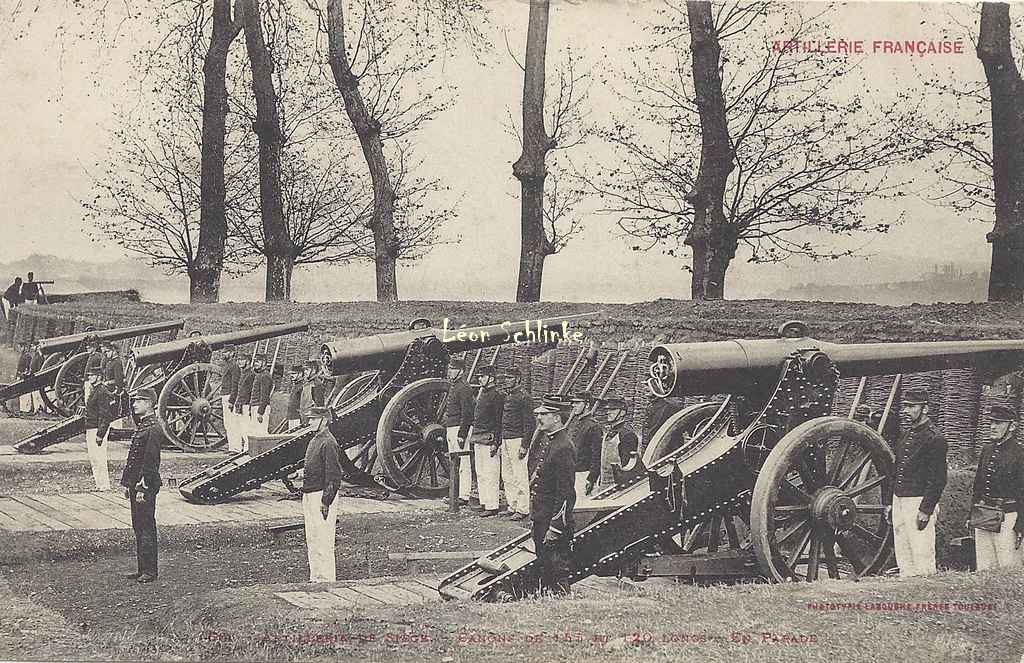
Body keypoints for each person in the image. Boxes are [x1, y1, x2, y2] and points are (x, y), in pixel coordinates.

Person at [886, 388, 948, 577]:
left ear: (925, 409)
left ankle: (924, 592)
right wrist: (891, 502)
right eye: (905, 406)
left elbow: (938, 479)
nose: (906, 411)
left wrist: (926, 509)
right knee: (903, 551)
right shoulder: (905, 435)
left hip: (918, 502)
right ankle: (907, 586)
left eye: (912, 407)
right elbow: (896, 471)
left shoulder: (935, 439)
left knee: (922, 552)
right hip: (900, 500)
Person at [529, 395, 577, 595]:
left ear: (557, 418)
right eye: (539, 413)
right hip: (542, 514)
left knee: (557, 564)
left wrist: (556, 527)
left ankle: (562, 597)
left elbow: (566, 493)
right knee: (544, 560)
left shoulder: (564, 447)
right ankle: (548, 596)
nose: (539, 417)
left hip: (552, 517)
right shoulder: (550, 441)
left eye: (544, 414)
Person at [120, 388, 166, 583]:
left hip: (144, 486)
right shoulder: (144, 425)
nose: (134, 404)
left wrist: (142, 487)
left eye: (139, 401)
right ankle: (142, 568)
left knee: (146, 526)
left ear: (149, 403)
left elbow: (150, 461)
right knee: (139, 526)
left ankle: (150, 571)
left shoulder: (153, 428)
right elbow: (134, 459)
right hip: (136, 484)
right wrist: (127, 483)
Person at [970, 404, 1024, 570]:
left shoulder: (1020, 453)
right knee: (984, 568)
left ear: (1012, 426)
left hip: (1008, 518)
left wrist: (1020, 525)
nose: (993, 426)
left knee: (1008, 568)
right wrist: (971, 515)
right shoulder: (986, 450)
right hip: (984, 514)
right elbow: (978, 486)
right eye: (991, 422)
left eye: (999, 423)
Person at [301, 428, 343, 582]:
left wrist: (326, 501)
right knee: (313, 537)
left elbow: (334, 475)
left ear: (323, 421)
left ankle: (326, 578)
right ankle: (316, 576)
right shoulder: (315, 440)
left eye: (314, 418)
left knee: (324, 538)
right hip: (310, 493)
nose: (310, 422)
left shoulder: (328, 442)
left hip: (321, 494)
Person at [500, 367, 535, 521]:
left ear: (518, 379)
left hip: (517, 440)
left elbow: (530, 424)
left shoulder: (524, 397)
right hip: (506, 439)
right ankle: (512, 505)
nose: (507, 380)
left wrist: (525, 445)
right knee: (507, 475)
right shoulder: (508, 396)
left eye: (510, 378)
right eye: (506, 377)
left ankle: (522, 508)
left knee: (519, 475)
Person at [471, 365, 505, 516]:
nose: (480, 379)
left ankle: (492, 506)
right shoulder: (483, 393)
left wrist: (496, 443)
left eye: (483, 377)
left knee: (491, 473)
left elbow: (499, 421)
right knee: (481, 472)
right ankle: (484, 502)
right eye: (479, 377)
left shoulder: (497, 396)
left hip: (489, 439)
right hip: (479, 437)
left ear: (491, 378)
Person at [443, 358, 475, 505]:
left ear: (460, 371)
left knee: (463, 463)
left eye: (453, 369)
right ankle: (454, 494)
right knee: (454, 462)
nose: (450, 372)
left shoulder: (464, 388)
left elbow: (467, 414)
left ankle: (464, 495)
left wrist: (462, 434)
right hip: (451, 427)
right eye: (449, 369)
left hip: (459, 429)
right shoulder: (455, 386)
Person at [84, 367, 115, 491]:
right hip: (91, 427)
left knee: (99, 458)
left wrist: (100, 434)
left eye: (92, 375)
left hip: (97, 429)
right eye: (89, 375)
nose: (89, 377)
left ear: (99, 377)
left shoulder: (102, 391)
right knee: (94, 458)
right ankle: (99, 484)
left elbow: (105, 415)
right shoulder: (95, 390)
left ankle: (104, 485)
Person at [567, 391, 604, 497]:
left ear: (587, 405)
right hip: (570, 473)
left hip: (583, 474)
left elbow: (597, 455)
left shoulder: (593, 427)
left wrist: (591, 478)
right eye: (573, 403)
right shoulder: (574, 423)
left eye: (578, 403)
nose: (574, 405)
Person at [597, 397, 639, 486]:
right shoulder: (610, 432)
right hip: (604, 484)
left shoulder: (627, 435)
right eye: (608, 410)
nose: (608, 412)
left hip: (617, 487)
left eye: (613, 409)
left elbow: (627, 468)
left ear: (622, 412)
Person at [219, 346, 241, 452]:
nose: (224, 354)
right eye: (223, 352)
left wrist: (232, 400)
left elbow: (235, 385)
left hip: (229, 396)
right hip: (225, 395)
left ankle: (236, 448)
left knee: (233, 423)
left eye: (226, 352)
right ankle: (232, 447)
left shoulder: (234, 366)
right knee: (228, 424)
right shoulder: (227, 365)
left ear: (232, 353)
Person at [249, 353, 273, 438]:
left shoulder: (265, 376)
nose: (255, 363)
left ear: (264, 363)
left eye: (258, 361)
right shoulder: (260, 375)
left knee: (261, 433)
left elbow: (265, 396)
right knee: (254, 433)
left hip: (260, 408)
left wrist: (260, 412)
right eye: (255, 361)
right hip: (255, 406)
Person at [233, 354, 254, 450]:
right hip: (240, 405)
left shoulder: (251, 375)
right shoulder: (243, 374)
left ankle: (247, 450)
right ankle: (244, 449)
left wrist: (249, 407)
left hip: (246, 405)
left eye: (242, 360)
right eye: (238, 360)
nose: (239, 362)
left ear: (248, 361)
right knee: (241, 429)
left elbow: (251, 392)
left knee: (246, 430)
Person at [286, 364, 307, 430]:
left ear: (300, 374)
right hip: (291, 417)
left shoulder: (302, 386)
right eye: (291, 373)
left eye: (294, 373)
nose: (291, 375)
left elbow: (304, 404)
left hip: (297, 418)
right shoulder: (295, 385)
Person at [15, 341, 32, 415]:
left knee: (26, 393)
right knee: (21, 393)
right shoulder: (22, 355)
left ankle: (26, 409)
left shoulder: (27, 356)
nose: (19, 349)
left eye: (20, 347)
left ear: (24, 347)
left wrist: (24, 375)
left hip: (24, 376)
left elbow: (27, 367)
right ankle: (22, 409)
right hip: (20, 376)